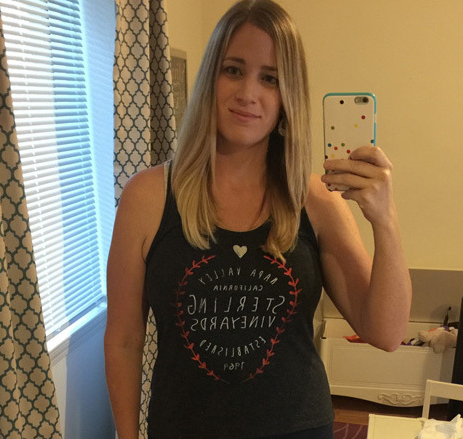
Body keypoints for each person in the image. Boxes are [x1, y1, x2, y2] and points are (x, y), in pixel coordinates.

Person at [104, 0, 412, 438]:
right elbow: (123, 339)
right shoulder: (147, 198)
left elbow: (387, 332)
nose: (248, 93)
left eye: (270, 78)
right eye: (233, 70)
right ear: (211, 77)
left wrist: (386, 219)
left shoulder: (315, 201)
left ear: (289, 97)